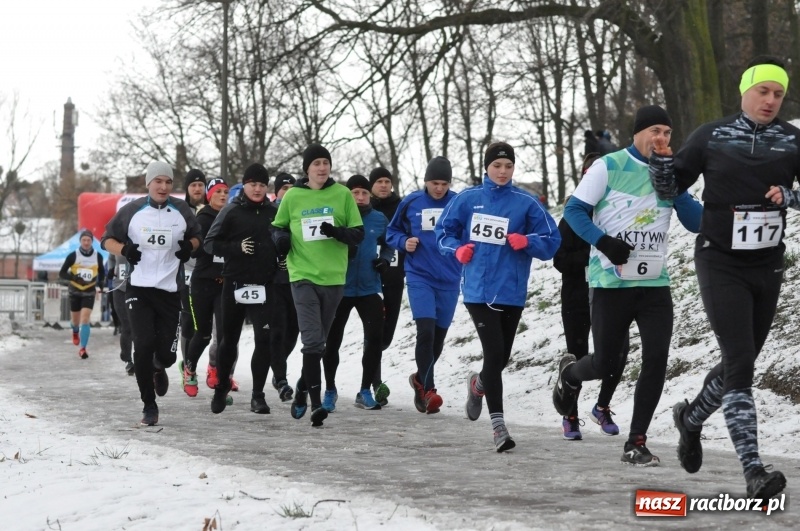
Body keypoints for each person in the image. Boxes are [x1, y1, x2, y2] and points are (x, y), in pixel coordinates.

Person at [652, 56, 797, 499]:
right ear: (744, 91)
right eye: (763, 91)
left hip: (767, 264)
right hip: (720, 261)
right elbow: (669, 188)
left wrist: (790, 195)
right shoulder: (711, 136)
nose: (770, 100)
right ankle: (753, 470)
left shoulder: (792, 141)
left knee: (743, 358)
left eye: (778, 94)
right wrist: (661, 162)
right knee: (739, 360)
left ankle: (691, 419)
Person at [552, 105, 702, 465]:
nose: (661, 139)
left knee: (656, 359)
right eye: (654, 131)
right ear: (636, 133)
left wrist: (676, 188)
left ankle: (636, 441)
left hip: (654, 283)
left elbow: (697, 223)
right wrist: (603, 242)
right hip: (609, 282)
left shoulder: (671, 172)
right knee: (604, 363)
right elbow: (573, 211)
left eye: (667, 133)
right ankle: (571, 374)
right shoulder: (608, 166)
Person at [437, 143, 561, 451]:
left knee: (501, 358)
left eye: (508, 166)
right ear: (486, 168)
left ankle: (478, 385)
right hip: (477, 290)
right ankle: (499, 427)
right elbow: (443, 233)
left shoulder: (526, 203)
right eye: (497, 166)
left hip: (511, 290)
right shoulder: (467, 199)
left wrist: (527, 241)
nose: (502, 172)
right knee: (494, 354)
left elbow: (552, 239)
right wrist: (458, 249)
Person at [101, 161, 202, 426]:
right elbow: (106, 239)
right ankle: (149, 405)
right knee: (143, 344)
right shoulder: (132, 211)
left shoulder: (181, 210)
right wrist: (124, 250)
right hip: (139, 289)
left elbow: (197, 237)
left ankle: (159, 367)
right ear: (148, 184)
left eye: (168, 182)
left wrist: (188, 247)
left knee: (167, 356)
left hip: (170, 291)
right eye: (158, 181)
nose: (163, 186)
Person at [271, 144, 364, 427]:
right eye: (316, 164)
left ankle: (301, 389)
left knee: (319, 344)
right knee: (312, 341)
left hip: (334, 278)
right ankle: (315, 405)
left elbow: (358, 234)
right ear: (307, 169)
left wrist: (336, 232)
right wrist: (281, 242)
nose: (322, 168)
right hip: (302, 276)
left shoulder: (342, 195)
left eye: (325, 162)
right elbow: (277, 227)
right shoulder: (294, 196)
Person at [553, 153, 631, 441]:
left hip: (611, 293)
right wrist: (594, 257)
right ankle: (570, 414)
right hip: (576, 295)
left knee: (617, 353)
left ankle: (602, 406)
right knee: (577, 352)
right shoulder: (573, 216)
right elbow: (559, 260)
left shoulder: (620, 212)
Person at [386, 156, 460, 414]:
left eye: (443, 183)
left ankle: (419, 379)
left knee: (437, 340)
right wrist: (403, 242)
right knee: (425, 332)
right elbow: (392, 232)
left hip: (450, 279)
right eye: (434, 183)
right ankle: (429, 390)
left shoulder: (459, 203)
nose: (439, 188)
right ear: (425, 181)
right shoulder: (411, 202)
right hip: (419, 276)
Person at [204, 164, 279, 415]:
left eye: (262, 185)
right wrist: (236, 247)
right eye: (253, 184)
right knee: (228, 341)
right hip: (235, 284)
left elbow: (285, 239)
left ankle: (258, 395)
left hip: (264, 285)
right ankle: (221, 386)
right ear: (244, 185)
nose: (257, 189)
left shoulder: (274, 211)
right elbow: (210, 243)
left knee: (265, 340)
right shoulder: (231, 210)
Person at [322, 174, 394, 412]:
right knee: (333, 341)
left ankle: (364, 390)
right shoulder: (339, 217)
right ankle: (330, 389)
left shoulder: (379, 219)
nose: (361, 197)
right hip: (340, 287)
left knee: (374, 339)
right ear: (348, 195)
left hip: (369, 288)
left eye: (364, 193)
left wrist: (384, 260)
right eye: (355, 193)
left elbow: (389, 243)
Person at [181, 178, 228, 398]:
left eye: (226, 191)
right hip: (202, 282)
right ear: (210, 195)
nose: (223, 195)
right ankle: (189, 369)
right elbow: (196, 250)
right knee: (203, 334)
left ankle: (218, 373)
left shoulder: (232, 215)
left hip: (224, 284)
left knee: (225, 335)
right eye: (218, 191)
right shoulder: (203, 217)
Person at [369, 166, 405, 405]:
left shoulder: (401, 207)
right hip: (369, 278)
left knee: (386, 335)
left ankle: (372, 374)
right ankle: (374, 382)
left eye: (387, 181)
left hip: (394, 275)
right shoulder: (363, 207)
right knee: (372, 332)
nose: (383, 185)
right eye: (379, 181)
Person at [269, 172, 298, 403]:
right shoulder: (269, 212)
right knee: (278, 330)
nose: (287, 192)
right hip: (273, 283)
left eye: (291, 188)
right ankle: (281, 379)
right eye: (284, 188)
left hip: (297, 280)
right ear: (276, 192)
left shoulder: (299, 210)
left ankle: (276, 363)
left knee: (293, 333)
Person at [179, 169, 210, 379]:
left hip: (208, 272)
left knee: (208, 325)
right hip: (186, 270)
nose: (197, 189)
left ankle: (215, 369)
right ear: (187, 189)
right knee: (189, 320)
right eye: (193, 185)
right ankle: (189, 370)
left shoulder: (212, 208)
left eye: (200, 185)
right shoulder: (181, 210)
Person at [58, 229, 105, 359]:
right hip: (75, 291)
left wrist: (101, 283)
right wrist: (74, 278)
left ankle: (83, 349)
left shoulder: (97, 256)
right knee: (75, 321)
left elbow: (101, 272)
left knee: (85, 319)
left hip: (89, 291)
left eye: (88, 240)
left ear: (92, 242)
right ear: (80, 241)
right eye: (84, 240)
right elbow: (62, 273)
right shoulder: (73, 255)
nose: (86, 242)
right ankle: (74, 330)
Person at [107, 253, 134, 375]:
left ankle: (141, 357)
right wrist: (111, 269)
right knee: (126, 325)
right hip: (119, 288)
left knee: (138, 325)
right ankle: (128, 359)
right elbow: (111, 257)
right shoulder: (117, 240)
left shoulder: (140, 238)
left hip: (138, 289)